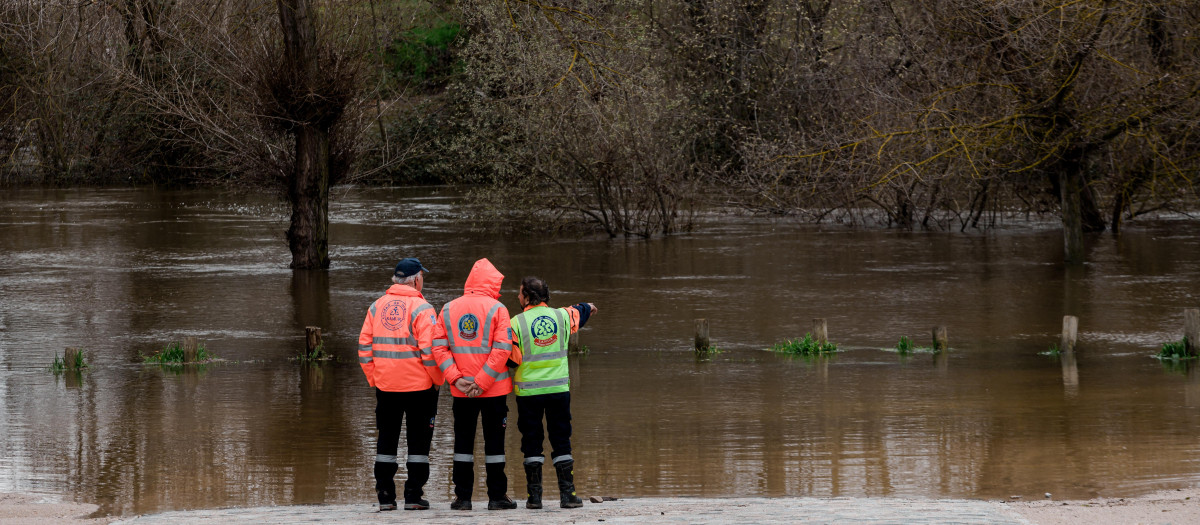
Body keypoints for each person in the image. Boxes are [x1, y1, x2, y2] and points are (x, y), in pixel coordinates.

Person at [431, 258, 518, 510]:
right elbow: (502, 349)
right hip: (494, 390)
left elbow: (439, 347)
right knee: (495, 446)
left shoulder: (447, 308)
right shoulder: (498, 309)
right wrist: (482, 382)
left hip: (461, 390)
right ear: (491, 283)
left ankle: (463, 498)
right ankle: (497, 497)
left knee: (462, 445)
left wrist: (456, 378)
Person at [357, 257, 442, 511]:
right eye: (422, 277)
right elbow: (430, 352)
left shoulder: (376, 307)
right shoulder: (423, 309)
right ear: (416, 280)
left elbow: (364, 349)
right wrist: (438, 380)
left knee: (386, 441)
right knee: (418, 444)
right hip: (420, 389)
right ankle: (413, 496)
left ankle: (385, 497)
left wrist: (375, 378)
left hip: (386, 388)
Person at [508, 276, 597, 509]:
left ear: (527, 297)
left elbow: (510, 359)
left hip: (528, 393)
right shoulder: (561, 316)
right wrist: (589, 306)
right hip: (558, 390)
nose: (517, 297)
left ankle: (534, 499)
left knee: (531, 443)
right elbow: (580, 311)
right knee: (561, 441)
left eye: (519, 293)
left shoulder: (516, 323)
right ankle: (568, 496)